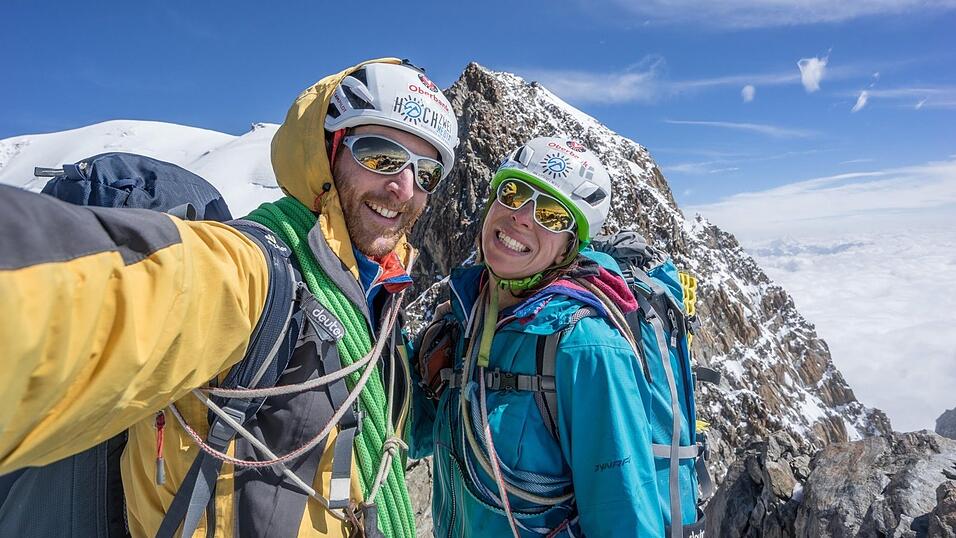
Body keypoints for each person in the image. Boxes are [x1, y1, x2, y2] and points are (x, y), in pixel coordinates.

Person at [0, 58, 458, 537]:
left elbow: (382, 433)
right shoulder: (256, 269)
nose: (403, 187)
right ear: (328, 152)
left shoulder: (376, 302)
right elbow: (120, 297)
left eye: (426, 173)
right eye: (380, 156)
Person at [409, 137, 665, 537]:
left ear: (568, 248)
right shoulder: (465, 319)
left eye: (551, 214)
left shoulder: (587, 350)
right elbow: (411, 433)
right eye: (513, 193)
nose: (523, 217)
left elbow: (626, 521)